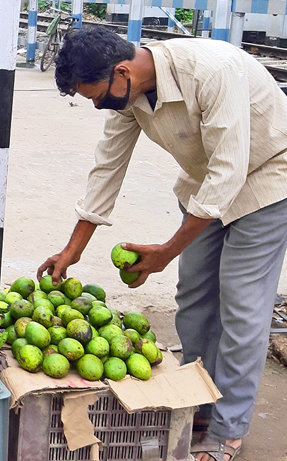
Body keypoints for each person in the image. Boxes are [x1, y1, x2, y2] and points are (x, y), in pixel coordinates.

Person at [38, 26, 287, 461]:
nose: (98, 105)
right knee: (194, 297)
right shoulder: (128, 94)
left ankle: (228, 430)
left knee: (242, 305)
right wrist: (72, 249)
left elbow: (230, 171)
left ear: (122, 70)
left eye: (97, 95)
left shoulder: (213, 71)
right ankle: (201, 401)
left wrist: (167, 251)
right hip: (201, 186)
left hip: (266, 180)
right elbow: (107, 168)